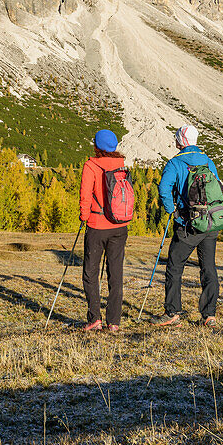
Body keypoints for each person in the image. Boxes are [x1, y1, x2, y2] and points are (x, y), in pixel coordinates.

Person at [153, 124, 220, 327]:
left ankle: (172, 312)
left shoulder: (175, 163)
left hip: (188, 224)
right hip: (210, 222)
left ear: (182, 141)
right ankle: (209, 315)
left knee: (175, 266)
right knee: (208, 267)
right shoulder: (208, 161)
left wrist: (170, 209)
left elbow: (164, 189)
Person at [79, 129, 130, 332]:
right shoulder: (121, 165)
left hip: (97, 224)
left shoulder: (91, 165)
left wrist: (84, 216)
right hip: (119, 225)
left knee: (90, 272)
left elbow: (85, 194)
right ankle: (114, 321)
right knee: (115, 273)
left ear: (97, 146)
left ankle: (94, 319)